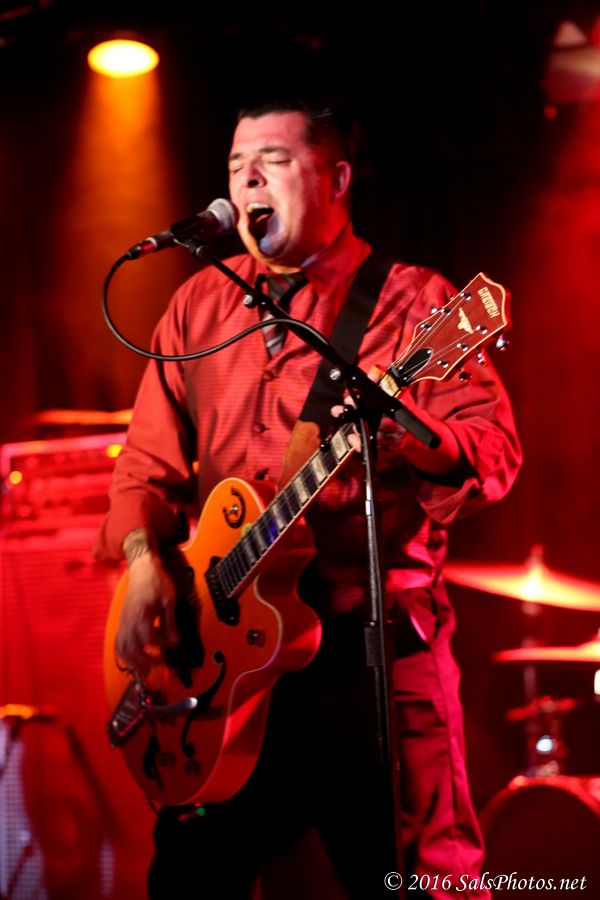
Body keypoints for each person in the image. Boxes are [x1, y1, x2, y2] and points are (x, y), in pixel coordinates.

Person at [95, 100, 522, 899]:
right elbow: (144, 466)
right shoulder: (197, 306)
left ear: (336, 179)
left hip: (371, 652)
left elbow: (494, 456)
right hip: (230, 669)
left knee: (421, 882)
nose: (247, 179)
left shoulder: (414, 301)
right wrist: (144, 560)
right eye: (236, 165)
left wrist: (410, 433)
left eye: (274, 160)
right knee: (189, 879)